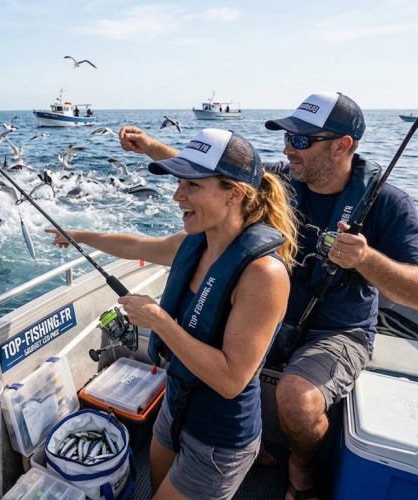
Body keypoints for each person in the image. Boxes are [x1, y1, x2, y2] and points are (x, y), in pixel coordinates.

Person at [119, 92, 418, 500]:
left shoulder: (389, 204)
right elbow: (217, 177)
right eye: (287, 137)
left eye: (301, 140)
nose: (288, 148)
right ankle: (248, 442)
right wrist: (151, 147)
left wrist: (366, 259)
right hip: (270, 313)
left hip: (336, 331)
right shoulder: (287, 176)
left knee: (297, 400)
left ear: (342, 146)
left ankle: (301, 468)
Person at [47, 128, 299, 500]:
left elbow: (231, 380)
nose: (177, 195)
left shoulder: (264, 274)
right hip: (174, 406)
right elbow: (135, 245)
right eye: (179, 183)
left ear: (235, 194)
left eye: (192, 186)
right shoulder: (194, 243)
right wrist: (80, 236)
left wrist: (159, 322)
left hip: (218, 437)